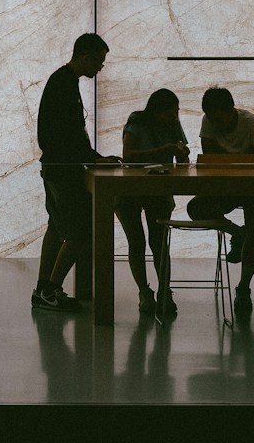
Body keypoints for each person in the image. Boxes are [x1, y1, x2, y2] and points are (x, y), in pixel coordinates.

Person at [33, 33, 118, 314]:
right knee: (82, 230)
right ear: (86, 57)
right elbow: (69, 135)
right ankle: (51, 289)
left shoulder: (63, 81)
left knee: (57, 228)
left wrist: (92, 158)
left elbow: (66, 134)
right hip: (63, 169)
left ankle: (43, 289)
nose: (100, 68)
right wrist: (93, 159)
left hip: (56, 167)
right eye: (100, 61)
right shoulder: (64, 84)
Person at [184, 87, 254, 316]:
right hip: (225, 185)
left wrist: (227, 160)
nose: (215, 124)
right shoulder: (208, 120)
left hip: (252, 186)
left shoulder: (251, 121)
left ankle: (244, 286)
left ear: (231, 110)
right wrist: (247, 159)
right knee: (196, 208)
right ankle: (238, 234)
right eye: (211, 119)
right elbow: (210, 157)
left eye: (219, 119)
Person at [119, 87, 188, 318]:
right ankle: (144, 291)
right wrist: (163, 150)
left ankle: (164, 291)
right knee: (137, 241)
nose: (174, 118)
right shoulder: (136, 120)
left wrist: (182, 153)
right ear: (156, 111)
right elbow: (127, 156)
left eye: (176, 113)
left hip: (158, 186)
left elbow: (182, 156)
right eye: (169, 113)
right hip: (131, 188)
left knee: (158, 242)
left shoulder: (172, 123)